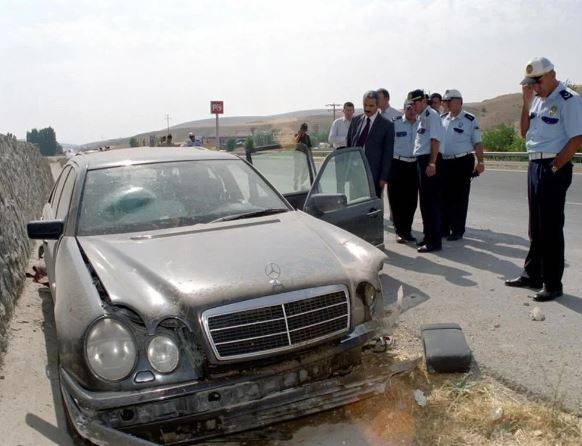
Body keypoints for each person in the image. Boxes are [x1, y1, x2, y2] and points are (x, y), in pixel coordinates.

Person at [505, 57, 582, 301]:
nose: (534, 86)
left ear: (551, 75)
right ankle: (532, 275)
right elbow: (524, 132)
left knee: (550, 227)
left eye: (537, 81)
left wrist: (556, 166)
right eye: (531, 83)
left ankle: (552, 283)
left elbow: (577, 138)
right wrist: (526, 104)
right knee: (535, 226)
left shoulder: (568, 99)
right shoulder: (536, 101)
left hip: (552, 165)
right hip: (534, 164)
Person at [441, 89, 485, 240]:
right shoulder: (443, 119)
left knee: (459, 197)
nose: (445, 104)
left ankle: (457, 230)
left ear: (459, 101)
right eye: (445, 101)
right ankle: (444, 228)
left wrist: (481, 162)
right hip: (445, 162)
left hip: (462, 161)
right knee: (444, 196)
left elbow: (477, 142)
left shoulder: (469, 119)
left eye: (448, 101)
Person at [410, 89, 445, 253]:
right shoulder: (422, 116)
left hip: (429, 160)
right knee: (424, 202)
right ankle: (428, 236)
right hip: (421, 160)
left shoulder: (432, 115)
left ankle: (434, 241)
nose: (413, 106)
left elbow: (435, 140)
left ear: (423, 101)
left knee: (431, 203)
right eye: (412, 103)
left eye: (416, 103)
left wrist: (432, 163)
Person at [347, 90, 395, 198]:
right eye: (365, 105)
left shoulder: (387, 125)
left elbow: (388, 154)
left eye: (371, 105)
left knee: (372, 210)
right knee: (355, 207)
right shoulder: (355, 121)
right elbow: (349, 145)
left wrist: (383, 177)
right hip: (355, 174)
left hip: (374, 176)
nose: (367, 108)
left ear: (378, 105)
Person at [388, 100, 418, 243]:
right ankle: (399, 231)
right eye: (408, 108)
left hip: (414, 165)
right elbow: (388, 145)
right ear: (404, 109)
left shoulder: (422, 124)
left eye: (414, 108)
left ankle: (407, 230)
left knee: (411, 201)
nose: (412, 111)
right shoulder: (395, 123)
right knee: (396, 200)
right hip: (398, 164)